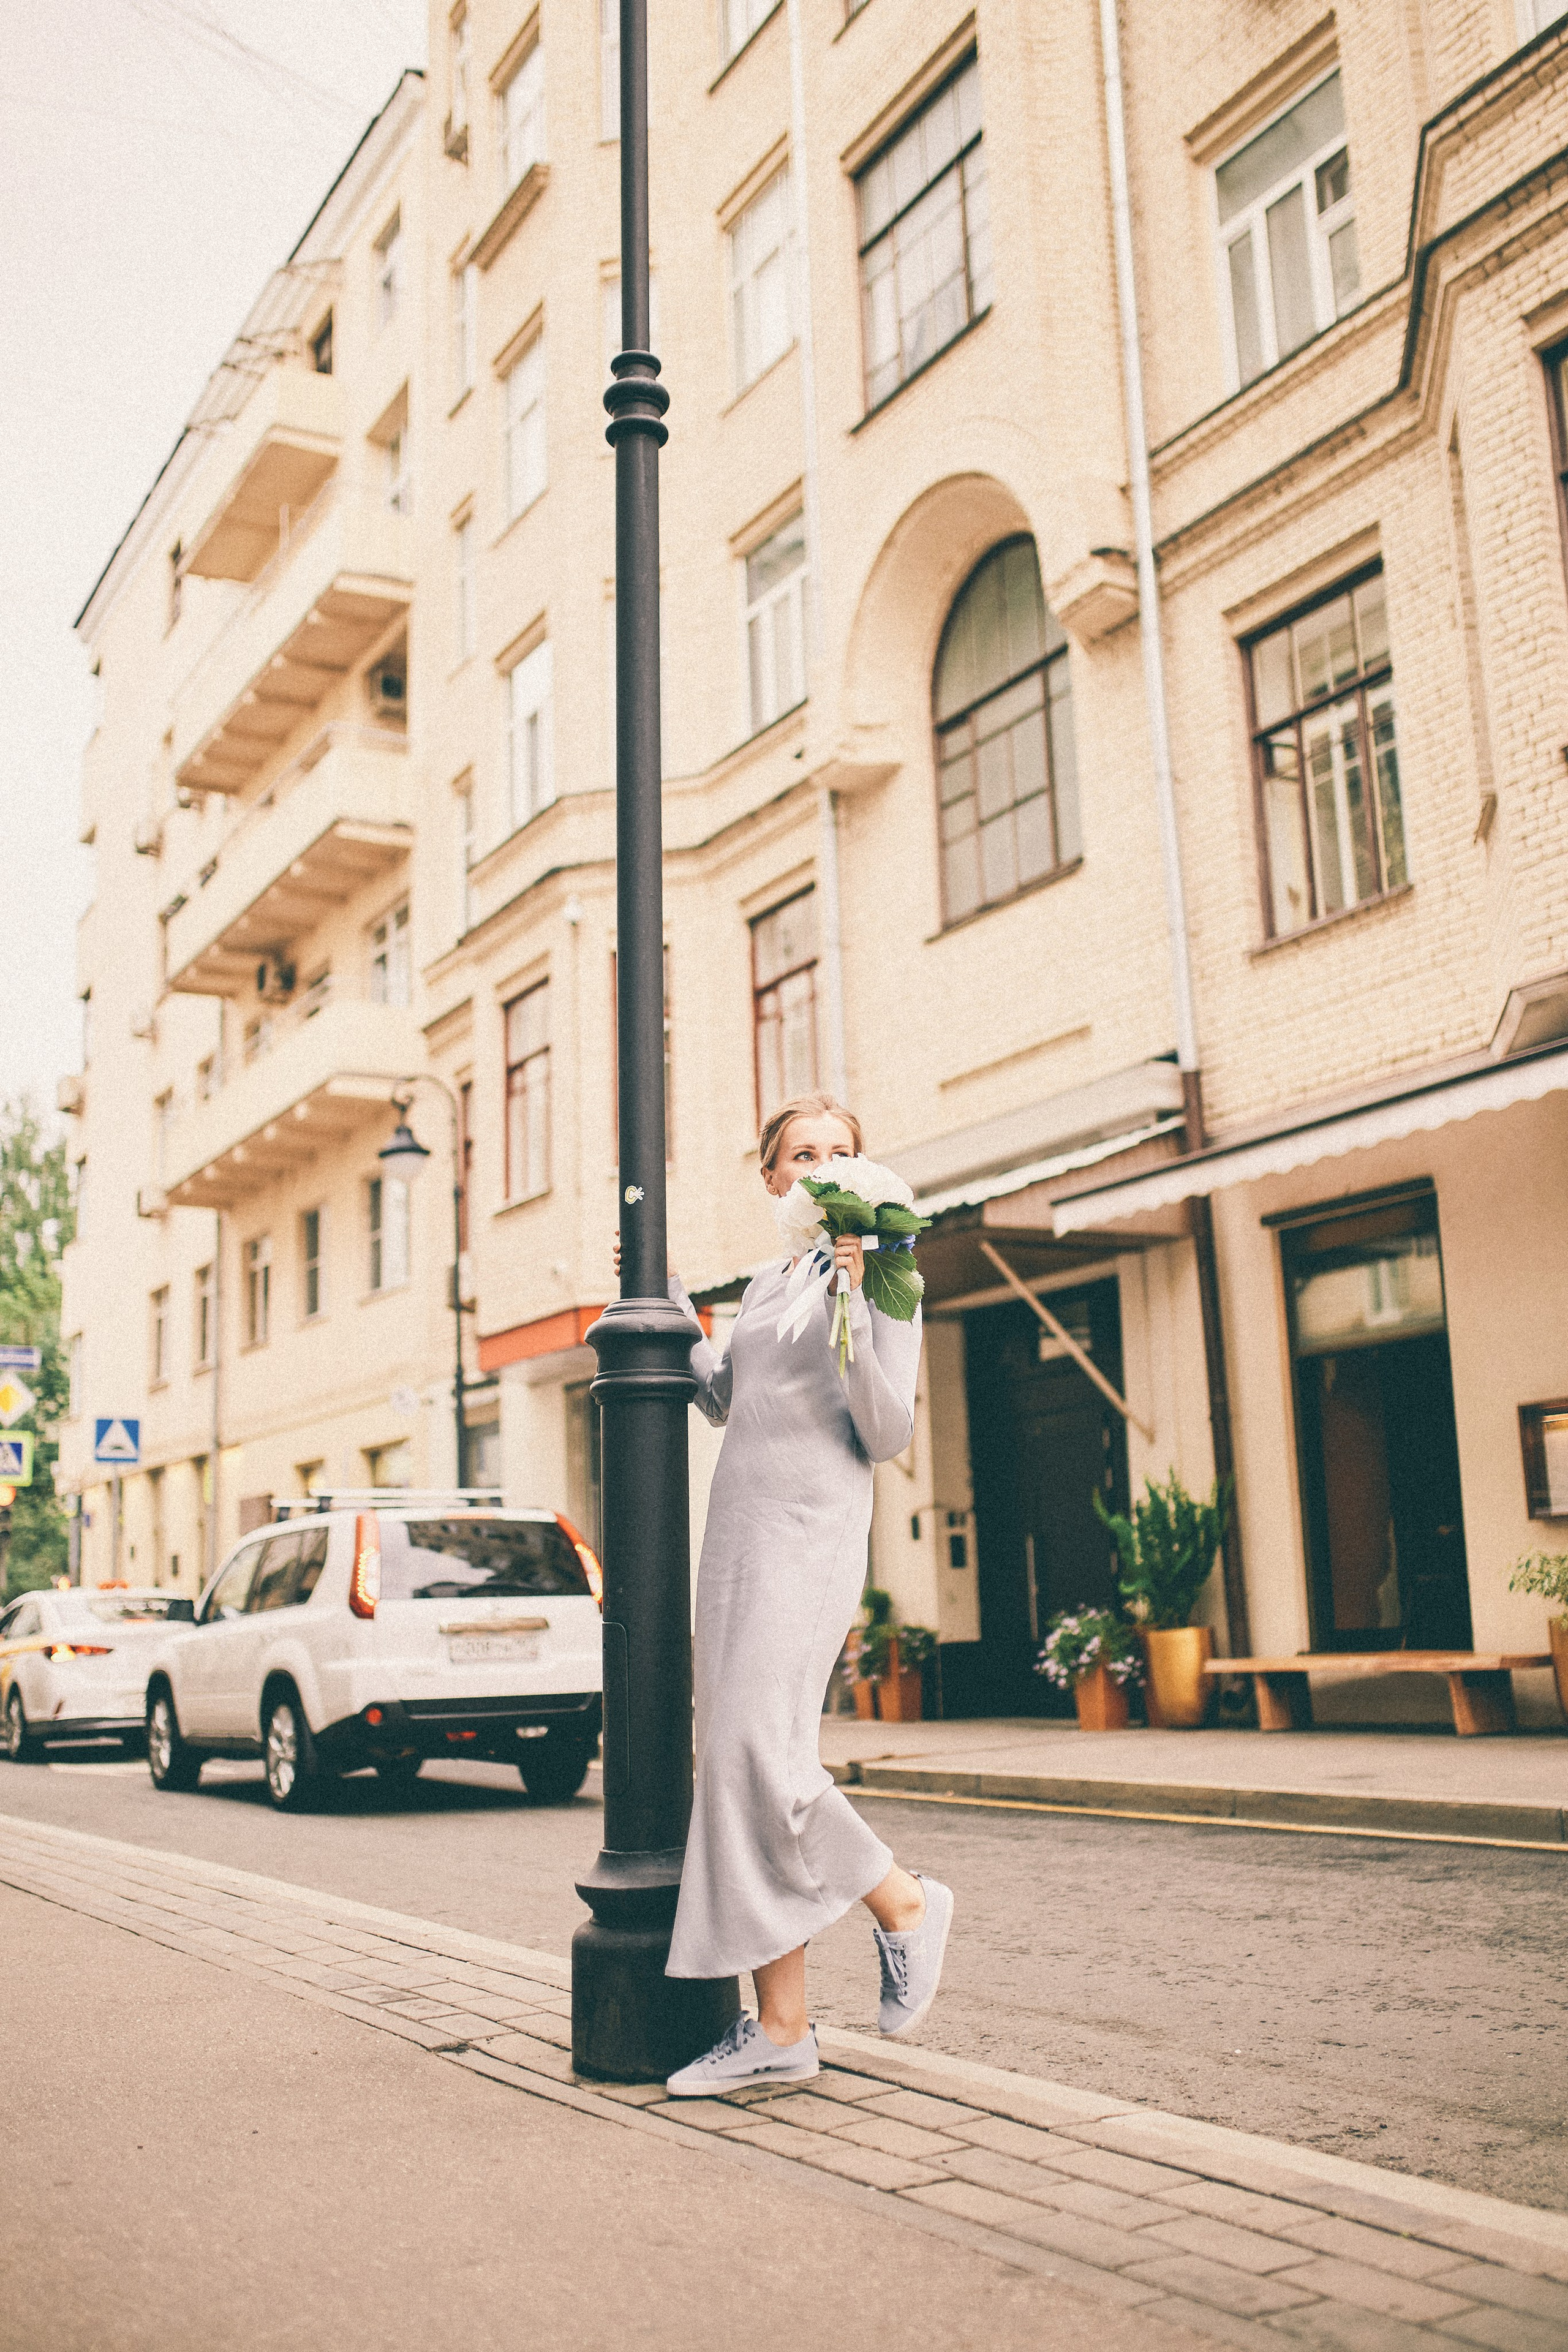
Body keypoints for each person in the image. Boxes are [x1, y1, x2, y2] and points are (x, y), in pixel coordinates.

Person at [653, 1090, 954, 2094]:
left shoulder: (888, 1276)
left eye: (842, 1152)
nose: (824, 1167)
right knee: (739, 1765)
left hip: (810, 1535)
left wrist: (857, 1302)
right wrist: (675, 1307)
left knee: (753, 1748)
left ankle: (903, 1900)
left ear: (864, 1175)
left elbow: (887, 1429)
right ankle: (781, 2028)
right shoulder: (773, 1281)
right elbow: (723, 1399)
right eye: (803, 1154)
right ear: (776, 1179)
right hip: (737, 1533)